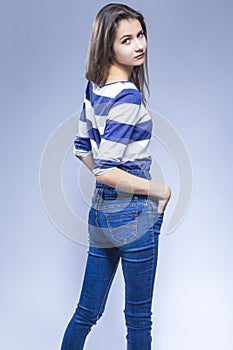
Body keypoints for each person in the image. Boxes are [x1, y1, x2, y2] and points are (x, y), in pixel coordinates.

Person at [61, 3, 171, 350]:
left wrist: (108, 188)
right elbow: (109, 170)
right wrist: (159, 190)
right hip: (133, 212)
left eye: (140, 35)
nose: (139, 45)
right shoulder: (126, 94)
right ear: (107, 45)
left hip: (101, 211)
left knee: (86, 312)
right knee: (138, 320)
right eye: (127, 39)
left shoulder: (94, 87)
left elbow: (82, 149)